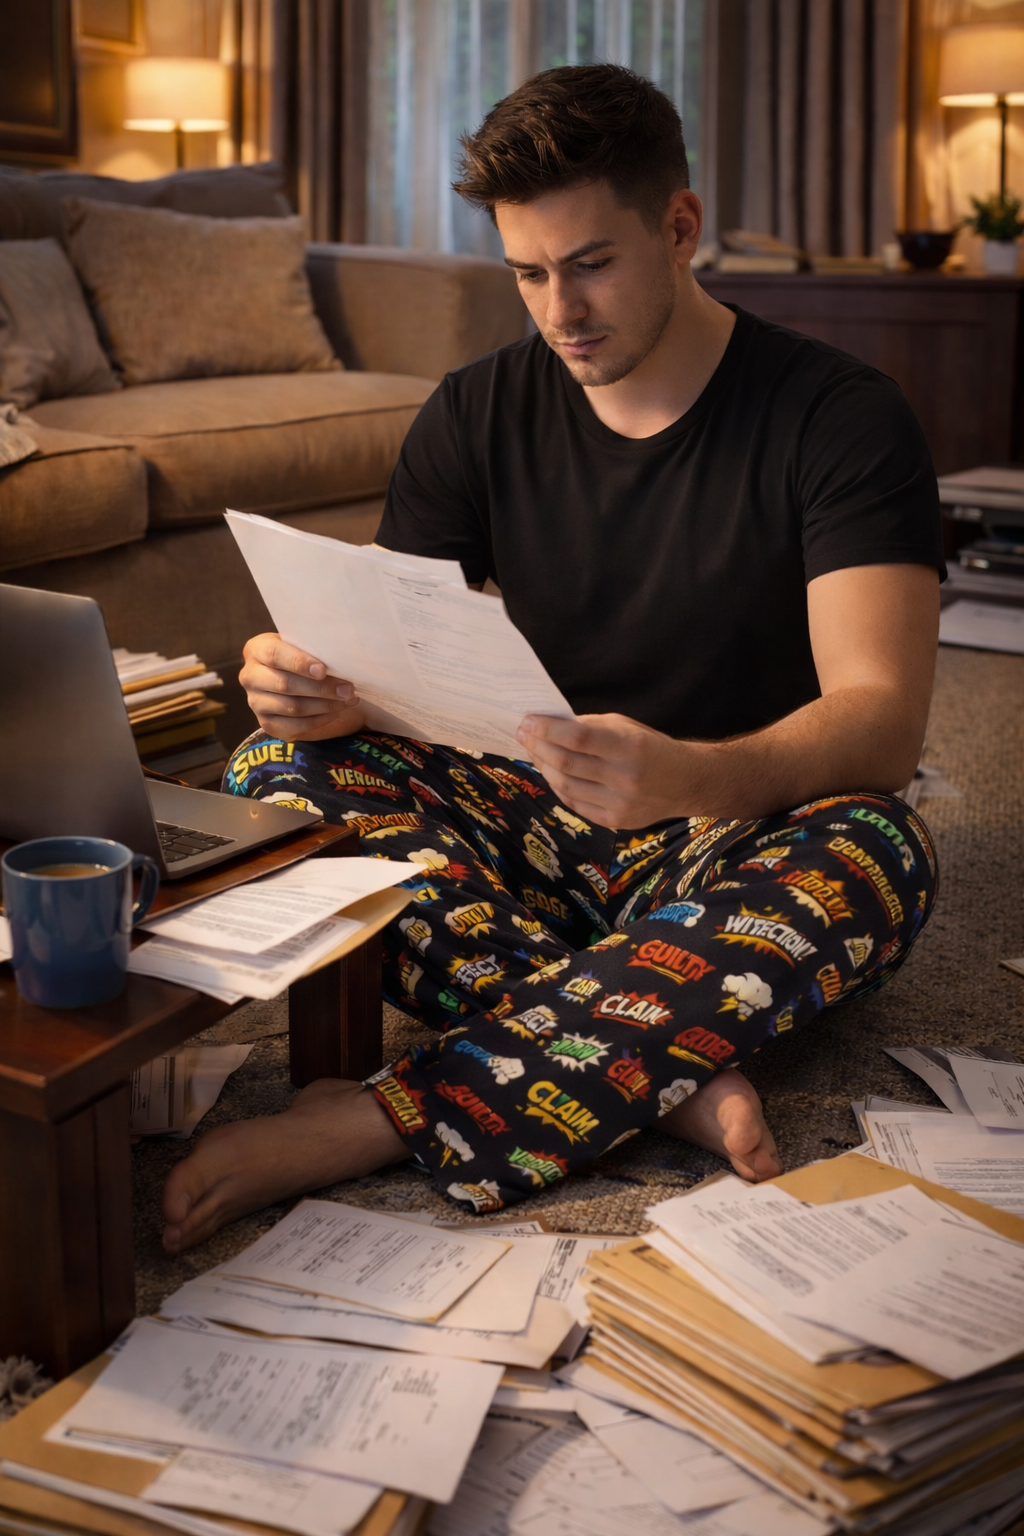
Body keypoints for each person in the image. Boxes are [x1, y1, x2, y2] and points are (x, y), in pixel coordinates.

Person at [161, 64, 943, 1254]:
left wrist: (691, 777)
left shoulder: (839, 417)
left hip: (735, 830)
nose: (557, 310)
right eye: (527, 273)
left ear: (677, 228)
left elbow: (882, 722)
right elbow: (382, 657)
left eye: (588, 265)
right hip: (532, 820)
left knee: (880, 849)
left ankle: (393, 1113)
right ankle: (656, 1058)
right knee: (275, 772)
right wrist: (311, 687)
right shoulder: (475, 409)